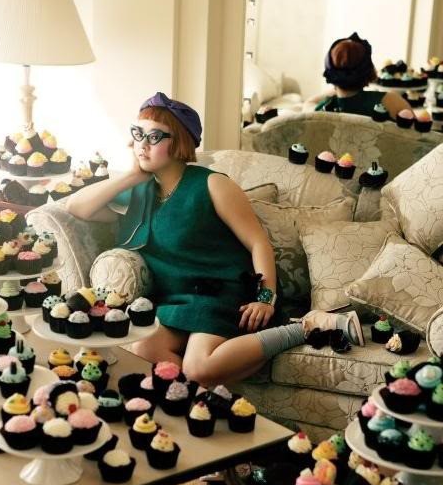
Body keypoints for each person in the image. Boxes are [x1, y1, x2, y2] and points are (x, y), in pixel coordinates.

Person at [67, 91, 364, 389]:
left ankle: (306, 326)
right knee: (141, 347)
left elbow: (257, 242)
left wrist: (265, 297)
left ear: (180, 141)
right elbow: (76, 207)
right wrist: (132, 176)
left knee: (199, 367)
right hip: (176, 298)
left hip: (223, 294)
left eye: (155, 136)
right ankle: (200, 404)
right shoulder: (140, 192)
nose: (142, 144)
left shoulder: (212, 184)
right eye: (138, 133)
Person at [314, 32, 411, 119]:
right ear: (368, 69)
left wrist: (338, 89)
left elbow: (309, 102)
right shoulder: (392, 102)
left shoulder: (320, 111)